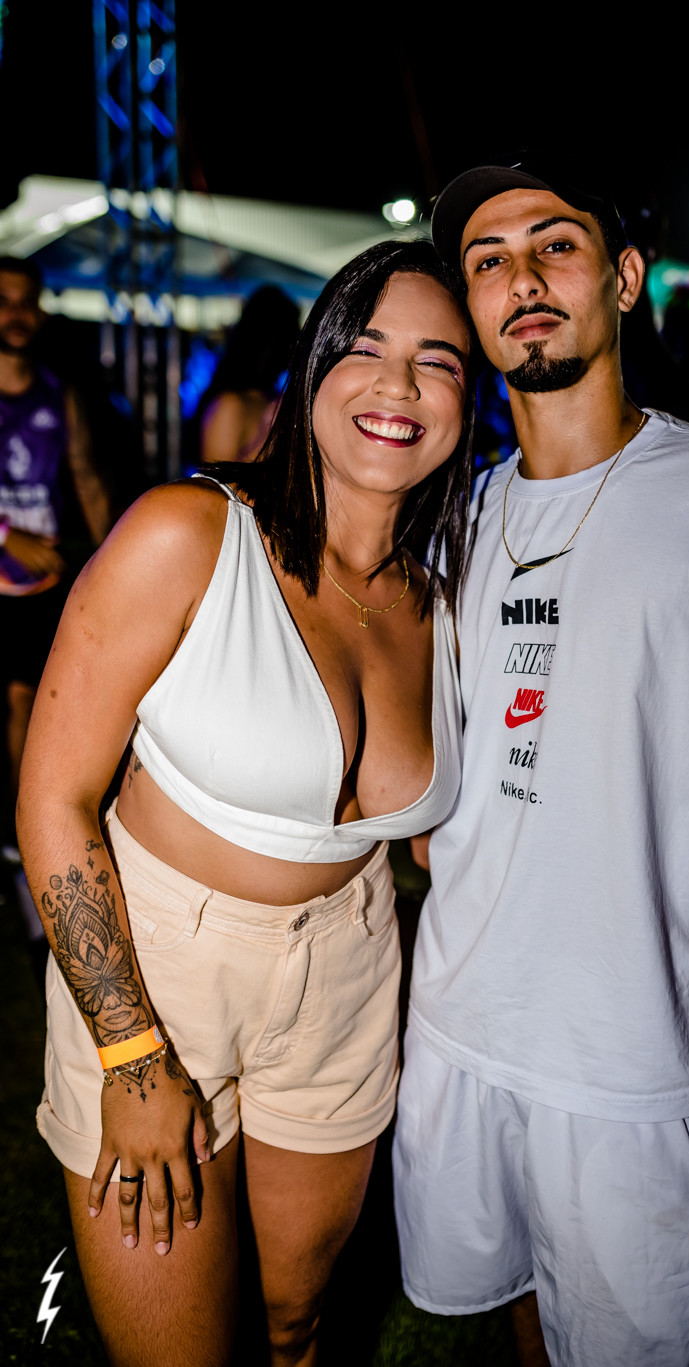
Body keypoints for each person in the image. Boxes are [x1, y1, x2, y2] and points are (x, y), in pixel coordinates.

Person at [392, 156, 689, 1367]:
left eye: (554, 245)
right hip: (459, 1020)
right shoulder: (454, 516)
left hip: (636, 1045)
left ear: (624, 278)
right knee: (515, 1307)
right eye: (487, 261)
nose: (521, 279)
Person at [18, 238, 475, 1367]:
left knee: (293, 1325)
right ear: (314, 366)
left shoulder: (446, 598)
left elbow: (441, 834)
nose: (399, 386)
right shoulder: (188, 534)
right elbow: (55, 796)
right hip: (158, 969)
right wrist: (131, 1054)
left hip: (350, 971)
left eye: (438, 361)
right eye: (366, 348)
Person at [0, 255, 111, 856]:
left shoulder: (57, 392)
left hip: (38, 582)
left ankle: (24, 833)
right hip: (8, 565)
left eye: (27, 302)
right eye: (4, 301)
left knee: (28, 699)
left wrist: (111, 562)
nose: (17, 314)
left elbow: (87, 477)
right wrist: (5, 536)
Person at [197, 285, 301, 465]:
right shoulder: (230, 405)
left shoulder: (278, 400)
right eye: (293, 335)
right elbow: (213, 479)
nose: (298, 345)